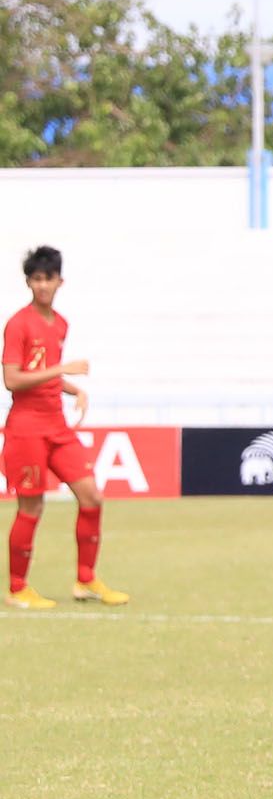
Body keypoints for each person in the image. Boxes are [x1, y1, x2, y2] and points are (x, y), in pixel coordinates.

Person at [3, 245, 127, 609]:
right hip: (26, 428)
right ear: (28, 282)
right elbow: (12, 379)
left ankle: (86, 580)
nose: (43, 286)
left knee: (91, 496)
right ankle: (17, 588)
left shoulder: (59, 324)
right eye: (36, 279)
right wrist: (62, 371)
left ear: (60, 281)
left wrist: (74, 389)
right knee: (31, 507)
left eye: (49, 279)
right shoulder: (18, 323)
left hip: (57, 426)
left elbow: (43, 376)